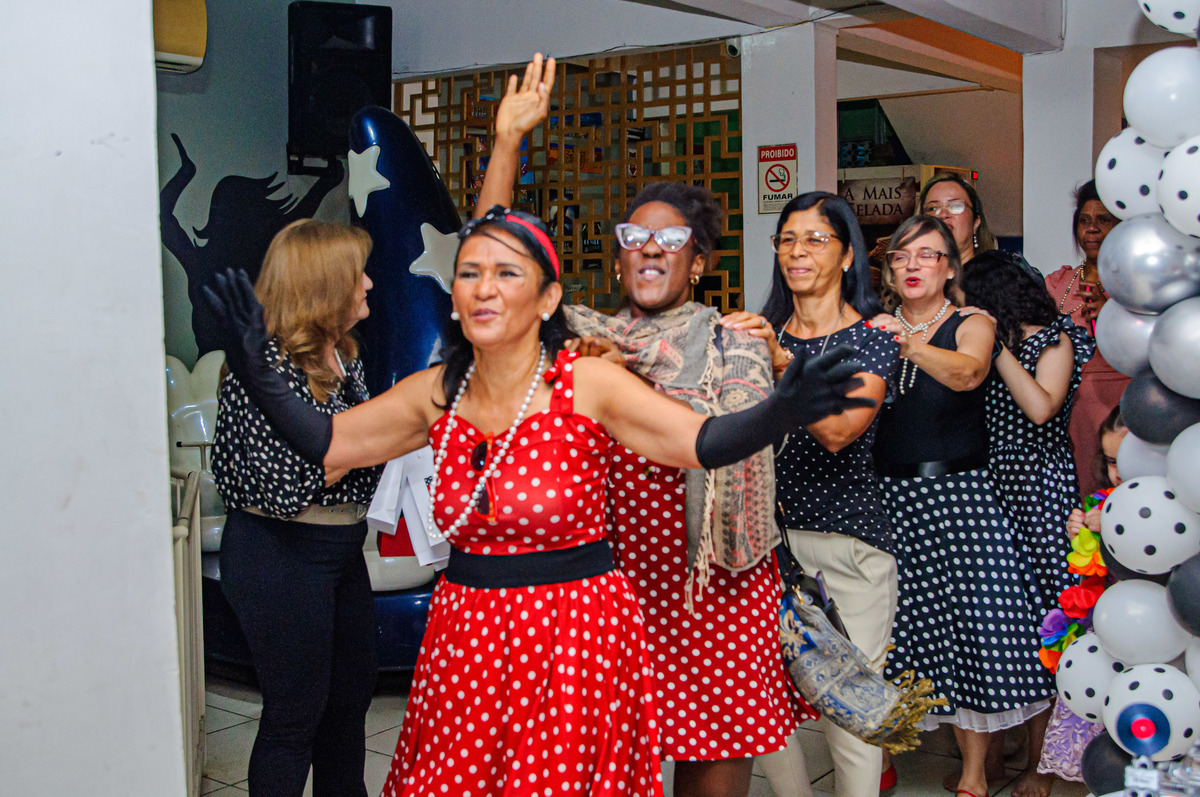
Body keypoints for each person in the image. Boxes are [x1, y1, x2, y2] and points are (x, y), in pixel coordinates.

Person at [205, 202, 871, 795]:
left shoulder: (587, 382)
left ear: (549, 297)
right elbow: (327, 441)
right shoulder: (438, 390)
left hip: (572, 638)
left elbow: (699, 441)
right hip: (466, 638)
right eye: (469, 273)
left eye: (507, 273)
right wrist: (259, 368)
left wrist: (779, 410)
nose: (484, 287)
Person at [477, 55, 815, 797]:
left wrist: (777, 366)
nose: (651, 246)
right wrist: (507, 143)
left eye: (672, 237)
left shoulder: (734, 342)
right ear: (619, 259)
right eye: (634, 235)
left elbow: (732, 431)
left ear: (698, 263)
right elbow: (494, 268)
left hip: (719, 597)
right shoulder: (583, 338)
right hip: (611, 600)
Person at [721, 191, 900, 797]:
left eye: (816, 239)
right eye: (788, 239)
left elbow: (840, 432)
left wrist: (780, 362)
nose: (798, 251)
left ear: (847, 255)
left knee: (849, 716)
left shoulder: (870, 340)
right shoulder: (756, 333)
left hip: (847, 546)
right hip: (762, 547)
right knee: (762, 712)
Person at [871, 215, 1056, 797]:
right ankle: (881, 759)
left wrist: (904, 344)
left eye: (927, 255)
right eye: (902, 256)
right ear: (889, 270)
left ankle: (975, 774)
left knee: (974, 632)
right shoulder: (871, 324)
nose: (913, 265)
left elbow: (970, 372)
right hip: (889, 499)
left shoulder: (971, 321)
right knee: (898, 632)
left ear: (949, 268)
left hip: (959, 499)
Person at [210, 219, 382, 797]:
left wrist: (359, 446)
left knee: (348, 704)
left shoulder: (345, 358)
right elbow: (290, 485)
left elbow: (346, 459)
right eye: (357, 273)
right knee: (295, 714)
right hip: (278, 554)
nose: (369, 283)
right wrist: (368, 443)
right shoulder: (261, 369)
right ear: (324, 285)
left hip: (341, 549)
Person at [961, 256, 1096, 797]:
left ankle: (1043, 765)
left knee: (1046, 626)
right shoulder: (988, 345)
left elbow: (1041, 408)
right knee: (1006, 627)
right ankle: (994, 758)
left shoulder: (1054, 341)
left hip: (1039, 494)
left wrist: (997, 349)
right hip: (994, 490)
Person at [1039, 406, 1128, 784]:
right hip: (1107, 630)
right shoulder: (1102, 500)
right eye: (1110, 461)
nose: (1118, 473)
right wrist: (1082, 534)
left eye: (1125, 460)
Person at [1043, 180, 1125, 496]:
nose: (1091, 229)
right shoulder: (1057, 283)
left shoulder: (1133, 284)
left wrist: (1111, 316)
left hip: (1119, 405)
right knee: (1077, 495)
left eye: (1103, 220)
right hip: (1067, 407)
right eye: (1084, 220)